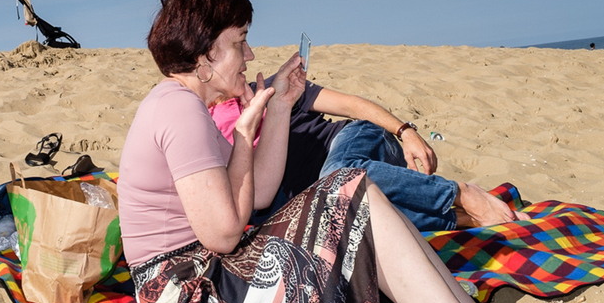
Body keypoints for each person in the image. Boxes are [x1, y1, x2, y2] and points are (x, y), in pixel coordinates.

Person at [118, 0, 577, 303]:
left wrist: (278, 106)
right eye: (239, 42)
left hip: (208, 273)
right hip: (183, 300)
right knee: (346, 190)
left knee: (352, 188)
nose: (249, 53)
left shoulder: (184, 104)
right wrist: (242, 136)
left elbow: (257, 196)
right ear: (204, 56)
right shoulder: (179, 111)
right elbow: (221, 234)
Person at [210, 77, 517, 231]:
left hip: (356, 142)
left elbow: (353, 106)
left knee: (337, 172)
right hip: (338, 193)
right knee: (344, 222)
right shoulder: (204, 134)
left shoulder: (271, 88)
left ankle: (459, 194)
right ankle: (458, 217)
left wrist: (406, 132)